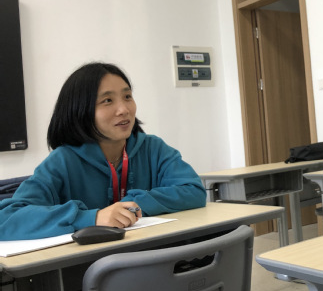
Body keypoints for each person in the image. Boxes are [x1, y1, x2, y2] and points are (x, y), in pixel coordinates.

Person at [0, 62, 207, 240]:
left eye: (127, 96)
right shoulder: (62, 161)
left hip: (148, 255)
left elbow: (193, 190)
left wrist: (136, 204)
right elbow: (6, 218)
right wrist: (92, 218)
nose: (124, 109)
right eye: (107, 100)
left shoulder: (153, 148)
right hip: (87, 267)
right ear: (80, 110)